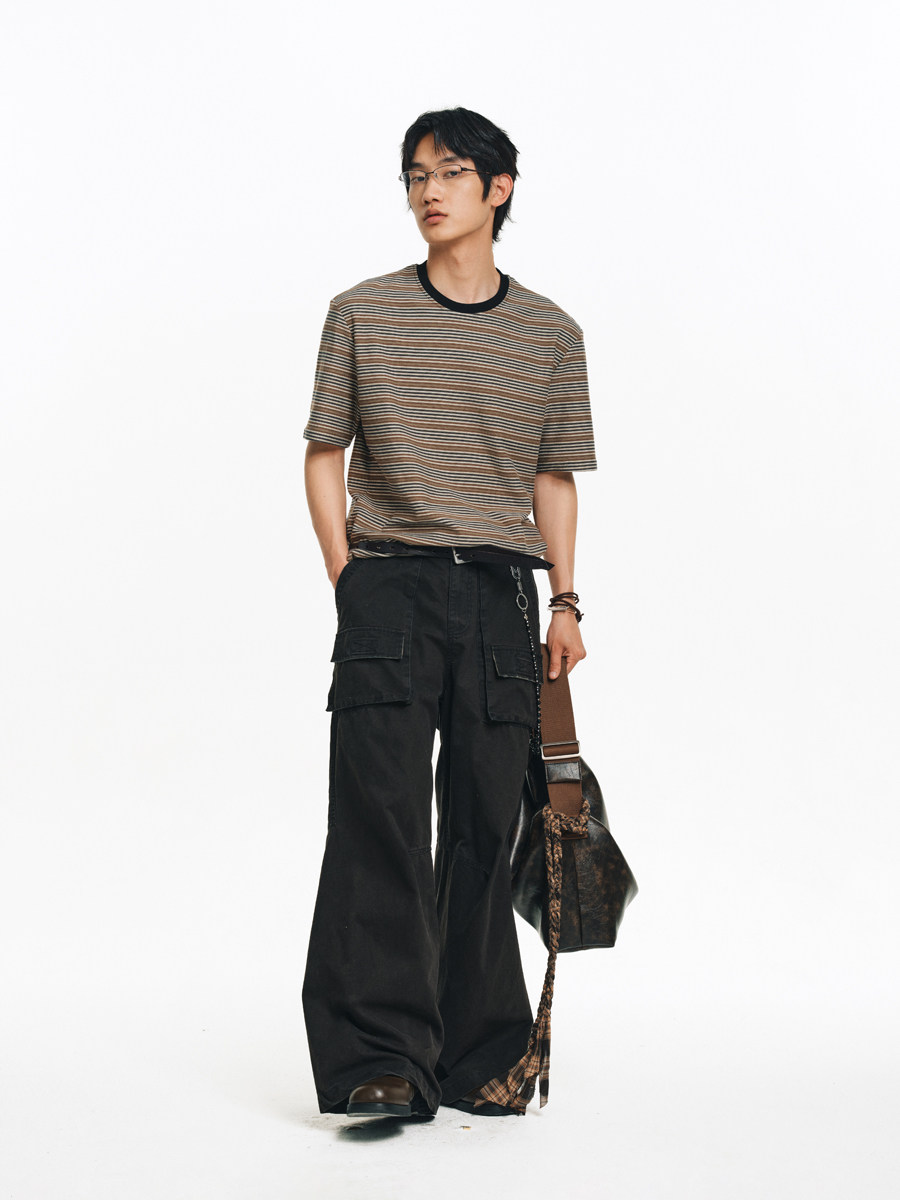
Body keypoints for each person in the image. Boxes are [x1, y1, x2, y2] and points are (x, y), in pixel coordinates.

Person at [300, 106, 597, 1120]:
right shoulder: (361, 312)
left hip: (502, 596)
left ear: (498, 188)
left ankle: (477, 1055)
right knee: (379, 820)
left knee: (485, 823)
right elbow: (323, 455)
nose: (428, 192)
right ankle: (377, 1058)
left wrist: (564, 600)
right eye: (414, 176)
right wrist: (349, 578)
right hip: (389, 584)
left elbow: (553, 478)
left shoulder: (551, 333)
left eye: (450, 173)